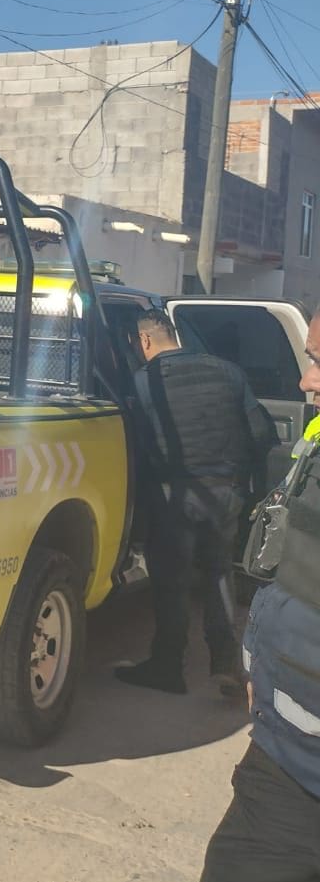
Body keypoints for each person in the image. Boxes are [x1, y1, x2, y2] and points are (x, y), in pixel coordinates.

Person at [200, 312, 320, 882]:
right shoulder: (315, 438)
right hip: (284, 758)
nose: (305, 380)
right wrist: (265, 672)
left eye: (317, 361)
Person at [116, 309, 277, 696]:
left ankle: (167, 667)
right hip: (226, 491)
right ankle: (226, 664)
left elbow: (136, 445)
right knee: (219, 574)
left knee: (171, 582)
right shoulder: (228, 371)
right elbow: (259, 432)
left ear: (145, 341)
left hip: (176, 496)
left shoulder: (145, 381)